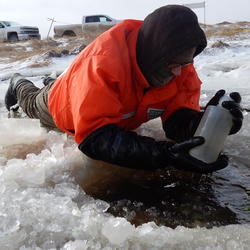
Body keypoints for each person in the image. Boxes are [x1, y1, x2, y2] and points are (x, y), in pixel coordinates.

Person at [5, 5, 243, 173]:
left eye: (185, 64)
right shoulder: (103, 64)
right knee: (30, 101)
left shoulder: (181, 66)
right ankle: (18, 82)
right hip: (59, 107)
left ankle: (52, 80)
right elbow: (94, 139)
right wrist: (164, 155)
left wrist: (207, 122)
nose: (179, 73)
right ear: (153, 54)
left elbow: (176, 122)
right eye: (173, 64)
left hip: (99, 98)